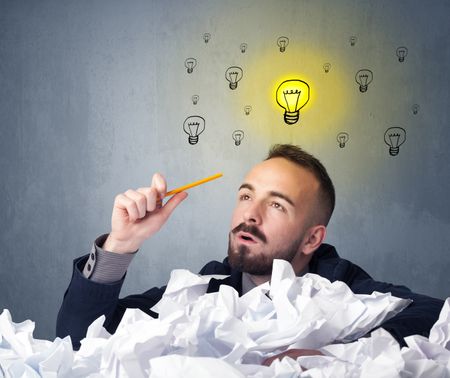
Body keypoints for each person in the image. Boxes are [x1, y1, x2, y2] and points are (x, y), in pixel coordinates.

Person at [56, 144, 444, 364]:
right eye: (245, 196)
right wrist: (121, 245)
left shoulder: (343, 287)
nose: (249, 214)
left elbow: (435, 314)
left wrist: (331, 353)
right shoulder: (201, 290)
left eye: (276, 205)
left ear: (312, 239)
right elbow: (76, 339)